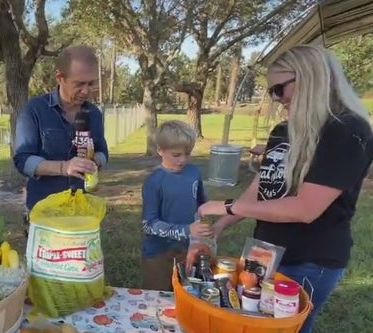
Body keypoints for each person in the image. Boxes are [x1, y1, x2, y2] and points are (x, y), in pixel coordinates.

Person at [199, 45, 373, 333]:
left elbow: (305, 209)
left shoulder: (347, 131)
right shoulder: (284, 129)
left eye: (280, 89)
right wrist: (221, 225)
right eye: (272, 92)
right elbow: (261, 187)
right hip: (266, 252)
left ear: (309, 78)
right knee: (254, 324)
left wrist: (228, 205)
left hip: (309, 259)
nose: (277, 99)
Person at [13, 45, 109, 220]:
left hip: (82, 211)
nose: (86, 91)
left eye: (91, 83)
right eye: (79, 84)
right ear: (60, 77)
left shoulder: (94, 114)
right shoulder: (34, 110)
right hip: (44, 212)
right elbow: (22, 160)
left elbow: (103, 152)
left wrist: (95, 161)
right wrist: (64, 168)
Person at [141, 120, 212, 291]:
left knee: (186, 292)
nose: (182, 160)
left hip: (188, 249)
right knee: (158, 296)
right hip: (158, 253)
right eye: (176, 154)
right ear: (160, 150)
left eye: (187, 154)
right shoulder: (154, 182)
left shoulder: (194, 172)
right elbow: (149, 225)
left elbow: (202, 204)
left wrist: (205, 228)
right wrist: (186, 230)